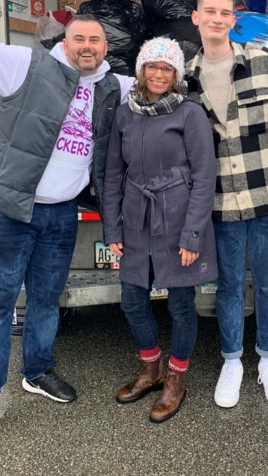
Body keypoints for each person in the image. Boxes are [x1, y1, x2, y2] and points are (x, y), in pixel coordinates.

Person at [0, 13, 134, 446]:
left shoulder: (113, 87)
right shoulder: (24, 64)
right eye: (80, 38)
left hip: (61, 215)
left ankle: (37, 371)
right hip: (10, 211)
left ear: (106, 48)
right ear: (66, 40)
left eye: (96, 40)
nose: (88, 46)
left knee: (46, 301)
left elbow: (162, 79)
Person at [185, 0, 268, 408]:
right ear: (196, 17)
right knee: (229, 286)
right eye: (209, 12)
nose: (217, 19)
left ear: (234, 19)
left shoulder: (262, 62)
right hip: (221, 203)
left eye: (225, 13)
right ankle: (232, 361)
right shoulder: (186, 78)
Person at [103, 37, 218, 423]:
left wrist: (193, 235)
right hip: (136, 217)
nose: (158, 73)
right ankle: (151, 369)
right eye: (152, 66)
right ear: (140, 70)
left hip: (177, 216)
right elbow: (113, 174)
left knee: (181, 305)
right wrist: (112, 226)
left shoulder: (190, 114)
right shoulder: (125, 113)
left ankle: (176, 378)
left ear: (176, 75)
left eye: (166, 68)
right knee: (132, 301)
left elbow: (204, 178)